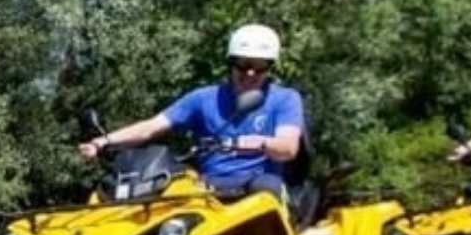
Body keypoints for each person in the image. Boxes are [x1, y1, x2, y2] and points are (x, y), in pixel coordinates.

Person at [76, 24, 305, 200]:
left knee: (266, 189)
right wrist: (102, 142)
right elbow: (152, 127)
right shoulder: (203, 98)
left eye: (260, 66)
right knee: (166, 191)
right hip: (208, 185)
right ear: (231, 63)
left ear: (270, 67)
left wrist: (258, 142)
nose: (251, 73)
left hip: (257, 183)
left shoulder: (285, 99)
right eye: (243, 65)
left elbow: (288, 147)